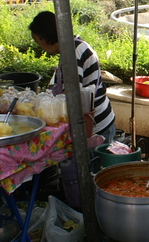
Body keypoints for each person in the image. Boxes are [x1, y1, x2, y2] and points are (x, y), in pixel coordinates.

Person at [29, 11, 116, 143]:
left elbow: (71, 94)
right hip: (98, 121)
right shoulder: (74, 46)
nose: (40, 46)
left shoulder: (73, 52)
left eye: (37, 41)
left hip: (95, 126)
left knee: (93, 163)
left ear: (44, 37)